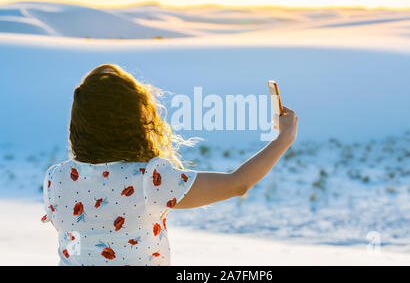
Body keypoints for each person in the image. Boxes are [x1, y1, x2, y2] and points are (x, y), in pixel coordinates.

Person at [41, 64, 298, 265]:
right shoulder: (149, 180)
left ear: (79, 124)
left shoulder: (56, 178)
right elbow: (237, 183)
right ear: (135, 121)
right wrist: (284, 139)